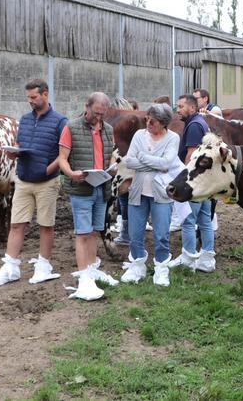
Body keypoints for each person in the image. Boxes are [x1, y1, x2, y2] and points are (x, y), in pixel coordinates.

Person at [0, 79, 68, 287]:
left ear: (45, 94)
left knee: (46, 226)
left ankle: (44, 266)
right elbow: (19, 143)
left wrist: (46, 171)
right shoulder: (23, 120)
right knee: (16, 225)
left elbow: (63, 155)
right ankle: (10, 267)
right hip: (23, 180)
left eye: (34, 97)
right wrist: (13, 152)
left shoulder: (60, 122)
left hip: (47, 183)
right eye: (28, 98)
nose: (30, 101)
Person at [58, 92, 120, 300]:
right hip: (81, 189)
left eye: (103, 114)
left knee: (95, 231)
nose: (99, 118)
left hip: (101, 187)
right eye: (96, 113)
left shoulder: (108, 129)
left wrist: (112, 167)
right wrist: (71, 174)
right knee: (82, 233)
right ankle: (84, 276)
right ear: (87, 106)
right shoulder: (71, 127)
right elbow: (62, 159)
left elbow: (110, 154)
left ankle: (92, 269)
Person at [120, 103, 181, 286]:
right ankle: (138, 265)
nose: (148, 123)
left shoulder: (173, 138)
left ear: (163, 123)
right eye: (147, 119)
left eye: (152, 121)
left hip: (161, 194)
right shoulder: (139, 135)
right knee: (135, 233)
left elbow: (167, 164)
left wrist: (143, 158)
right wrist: (155, 163)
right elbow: (130, 162)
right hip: (138, 192)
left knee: (161, 234)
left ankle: (161, 268)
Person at [169, 95, 216, 272]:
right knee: (204, 220)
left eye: (181, 106)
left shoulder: (195, 125)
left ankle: (188, 258)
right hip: (206, 182)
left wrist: (184, 181)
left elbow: (191, 155)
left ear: (192, 107)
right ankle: (207, 259)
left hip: (195, 183)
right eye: (177, 106)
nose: (178, 109)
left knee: (188, 220)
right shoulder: (200, 122)